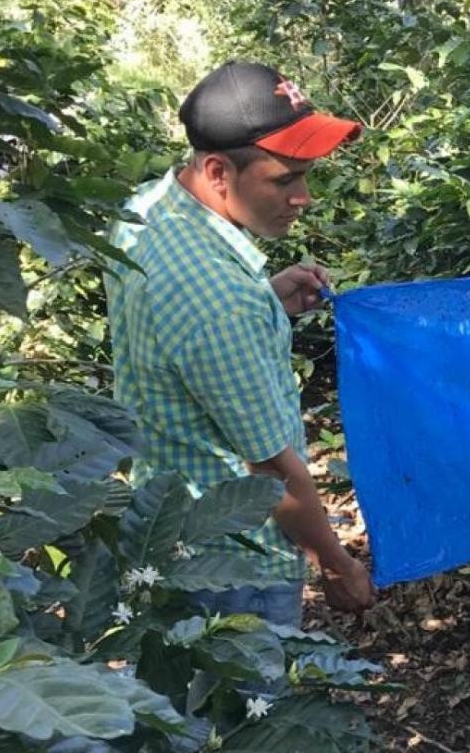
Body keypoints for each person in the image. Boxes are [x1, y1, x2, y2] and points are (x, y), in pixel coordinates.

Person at [105, 61, 375, 627]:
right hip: (233, 569)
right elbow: (273, 473)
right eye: (284, 179)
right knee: (242, 711)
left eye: (305, 176)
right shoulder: (221, 300)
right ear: (217, 171)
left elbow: (175, 331)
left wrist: (267, 301)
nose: (302, 197)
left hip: (168, 527)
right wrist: (335, 564)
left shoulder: (147, 209)